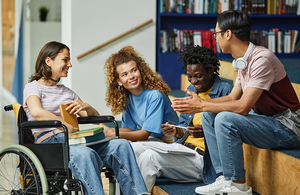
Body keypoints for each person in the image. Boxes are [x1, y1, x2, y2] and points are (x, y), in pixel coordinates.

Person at [172, 10, 300, 195]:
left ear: (228, 34)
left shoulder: (261, 59)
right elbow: (233, 97)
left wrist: (201, 105)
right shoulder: (242, 60)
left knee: (224, 119)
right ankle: (224, 177)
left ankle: (238, 185)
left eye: (216, 33)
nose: (215, 38)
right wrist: (202, 103)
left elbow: (242, 106)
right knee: (209, 115)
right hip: (267, 119)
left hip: (287, 126)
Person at [23, 41, 149, 195]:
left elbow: (92, 116)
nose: (70, 64)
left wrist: (86, 107)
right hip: (50, 144)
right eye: (65, 60)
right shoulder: (33, 87)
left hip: (74, 141)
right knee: (85, 154)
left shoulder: (66, 92)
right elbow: (36, 112)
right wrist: (64, 125)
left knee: (121, 145)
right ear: (48, 61)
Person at [130, 45, 233, 192]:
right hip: (183, 149)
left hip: (203, 160)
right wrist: (176, 130)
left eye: (198, 76)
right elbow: (183, 129)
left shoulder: (225, 91)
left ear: (211, 70)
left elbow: (231, 132)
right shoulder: (191, 91)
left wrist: (206, 132)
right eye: (190, 76)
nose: (193, 81)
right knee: (130, 148)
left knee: (149, 157)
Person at [104, 46, 179, 143]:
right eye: (125, 74)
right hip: (153, 139)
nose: (131, 76)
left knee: (128, 148)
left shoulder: (155, 95)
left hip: (170, 140)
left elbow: (144, 134)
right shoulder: (127, 97)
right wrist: (112, 131)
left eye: (134, 70)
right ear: (119, 81)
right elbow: (128, 128)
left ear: (141, 71)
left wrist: (115, 134)